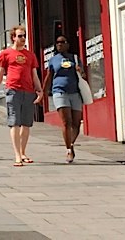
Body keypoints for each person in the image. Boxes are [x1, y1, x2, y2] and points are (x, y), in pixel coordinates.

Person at [0, 24, 40, 166]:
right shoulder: (6, 54)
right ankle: (17, 155)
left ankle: (23, 152)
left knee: (26, 123)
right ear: (13, 38)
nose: (23, 38)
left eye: (24, 36)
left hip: (28, 91)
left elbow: (34, 75)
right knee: (14, 122)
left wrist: (39, 90)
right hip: (13, 90)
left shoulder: (30, 55)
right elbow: (0, 74)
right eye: (20, 36)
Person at [42, 34, 85, 164]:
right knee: (67, 122)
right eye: (57, 42)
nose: (59, 44)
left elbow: (83, 75)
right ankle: (69, 150)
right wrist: (43, 93)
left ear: (67, 44)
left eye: (62, 42)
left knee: (76, 124)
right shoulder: (53, 60)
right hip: (59, 92)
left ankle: (71, 143)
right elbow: (49, 77)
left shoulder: (75, 58)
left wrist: (79, 71)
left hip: (75, 93)